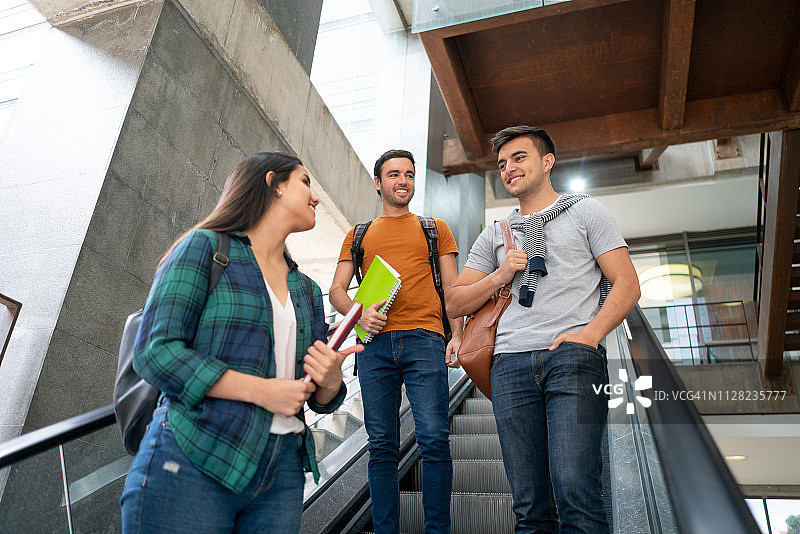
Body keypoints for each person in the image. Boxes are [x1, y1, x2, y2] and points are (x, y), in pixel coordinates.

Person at [120, 152, 362, 534]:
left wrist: (330, 378)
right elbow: (155, 351)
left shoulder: (307, 291)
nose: (315, 197)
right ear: (274, 184)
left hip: (282, 472)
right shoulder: (206, 248)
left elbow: (317, 397)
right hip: (195, 454)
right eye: (305, 182)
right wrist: (261, 391)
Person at [447, 126, 640, 533]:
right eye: (501, 164)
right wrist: (500, 273)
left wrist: (589, 335)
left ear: (547, 162)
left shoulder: (586, 211)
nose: (509, 168)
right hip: (509, 365)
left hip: (572, 357)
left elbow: (627, 283)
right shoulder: (494, 234)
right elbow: (456, 302)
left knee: (575, 488)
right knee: (530, 503)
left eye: (519, 158)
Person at [328, 149, 462, 534]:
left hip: (426, 340)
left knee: (434, 438)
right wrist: (357, 312)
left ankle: (438, 531)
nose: (402, 181)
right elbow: (336, 289)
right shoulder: (359, 234)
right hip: (374, 347)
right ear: (378, 182)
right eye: (393, 174)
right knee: (382, 447)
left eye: (408, 174)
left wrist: (459, 335)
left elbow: (452, 290)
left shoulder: (435, 228)